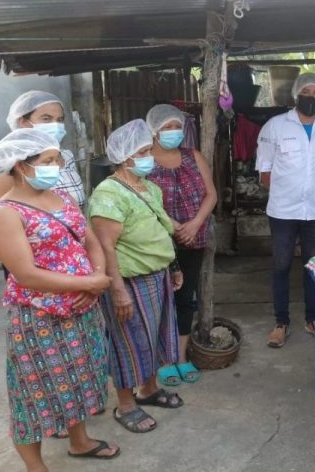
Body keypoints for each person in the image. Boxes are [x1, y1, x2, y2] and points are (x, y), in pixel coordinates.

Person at [0, 129, 119, 470]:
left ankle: (80, 442)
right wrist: (89, 282)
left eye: (57, 160)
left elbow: (89, 239)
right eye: (48, 161)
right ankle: (36, 466)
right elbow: (26, 275)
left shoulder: (61, 196)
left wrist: (95, 281)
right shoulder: (4, 213)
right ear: (21, 166)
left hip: (82, 311)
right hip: (40, 320)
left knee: (79, 381)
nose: (56, 167)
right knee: (33, 395)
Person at [89, 119, 184, 434]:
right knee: (127, 342)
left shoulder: (150, 188)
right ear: (124, 157)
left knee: (153, 337)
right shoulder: (108, 194)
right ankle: (126, 404)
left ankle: (148, 389)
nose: (150, 157)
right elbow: (105, 247)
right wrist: (117, 290)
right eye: (142, 152)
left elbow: (160, 230)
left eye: (149, 150)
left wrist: (173, 266)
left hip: (156, 275)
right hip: (128, 281)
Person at [256, 72, 315, 348]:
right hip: (282, 211)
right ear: (296, 94)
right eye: (306, 92)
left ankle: (312, 319)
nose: (311, 97)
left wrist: (311, 191)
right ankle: (281, 323)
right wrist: (289, 192)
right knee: (281, 266)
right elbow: (264, 173)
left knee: (313, 268)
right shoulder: (275, 126)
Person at [147, 104, 217, 385]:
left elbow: (211, 195)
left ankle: (181, 356)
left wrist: (194, 224)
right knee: (161, 299)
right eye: (167, 127)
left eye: (177, 126)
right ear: (154, 131)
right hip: (157, 242)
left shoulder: (193, 156)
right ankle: (164, 359)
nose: (174, 132)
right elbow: (142, 200)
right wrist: (174, 227)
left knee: (186, 298)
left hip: (193, 237)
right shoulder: (143, 160)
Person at [0, 91, 86, 217]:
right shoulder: (13, 167)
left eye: (60, 120)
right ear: (23, 122)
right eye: (46, 119)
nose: (55, 125)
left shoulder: (67, 156)